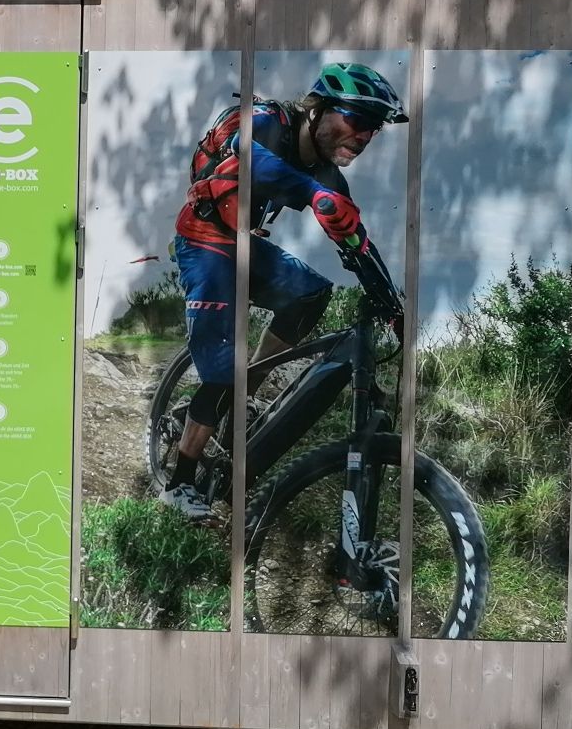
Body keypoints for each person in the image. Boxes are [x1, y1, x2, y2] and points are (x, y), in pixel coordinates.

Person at [159, 61, 407, 520]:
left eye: (373, 129)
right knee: (221, 370)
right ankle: (179, 484)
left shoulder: (330, 177)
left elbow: (357, 242)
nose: (364, 136)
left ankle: (246, 391)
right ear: (318, 110)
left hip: (245, 245)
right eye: (356, 120)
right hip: (203, 238)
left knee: (311, 292)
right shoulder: (268, 121)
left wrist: (393, 307)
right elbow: (248, 153)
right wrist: (312, 193)